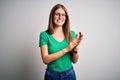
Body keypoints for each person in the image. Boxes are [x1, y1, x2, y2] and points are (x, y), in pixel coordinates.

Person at [39, 4, 83, 80]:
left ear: (66, 18)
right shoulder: (44, 35)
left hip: (69, 74)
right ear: (52, 16)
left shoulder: (71, 34)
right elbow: (45, 59)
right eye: (57, 14)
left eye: (63, 15)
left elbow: (74, 61)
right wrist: (66, 49)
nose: (60, 17)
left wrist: (75, 49)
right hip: (52, 76)